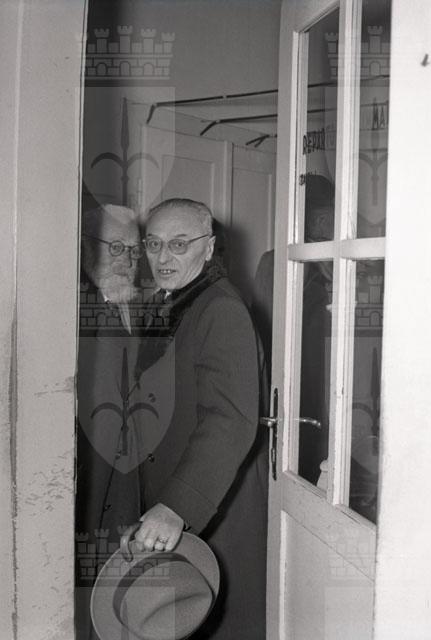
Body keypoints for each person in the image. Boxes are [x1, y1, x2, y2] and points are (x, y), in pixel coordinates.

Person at [133, 198, 268, 640]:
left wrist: (177, 506)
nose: (163, 257)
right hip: (175, 495)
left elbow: (229, 420)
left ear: (208, 248)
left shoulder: (220, 309)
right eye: (154, 244)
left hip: (211, 504)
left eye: (179, 244)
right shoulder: (173, 301)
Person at [75, 203, 148, 639]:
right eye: (116, 248)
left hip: (127, 475)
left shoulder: (136, 305)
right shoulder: (73, 309)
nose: (128, 259)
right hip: (88, 475)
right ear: (88, 249)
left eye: (134, 250)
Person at [252, 175, 334, 485]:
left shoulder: (271, 260)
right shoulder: (320, 266)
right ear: (321, 219)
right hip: (308, 396)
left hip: (279, 393)